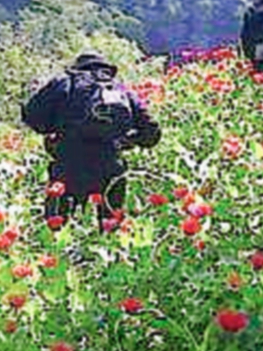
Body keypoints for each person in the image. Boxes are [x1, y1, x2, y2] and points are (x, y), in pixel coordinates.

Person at [22, 52, 161, 229]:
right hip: (111, 169)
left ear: (78, 67)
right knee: (107, 231)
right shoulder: (121, 90)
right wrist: (123, 141)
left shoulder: (65, 82)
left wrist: (54, 130)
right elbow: (152, 134)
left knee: (59, 230)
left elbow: (32, 117)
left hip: (68, 166)